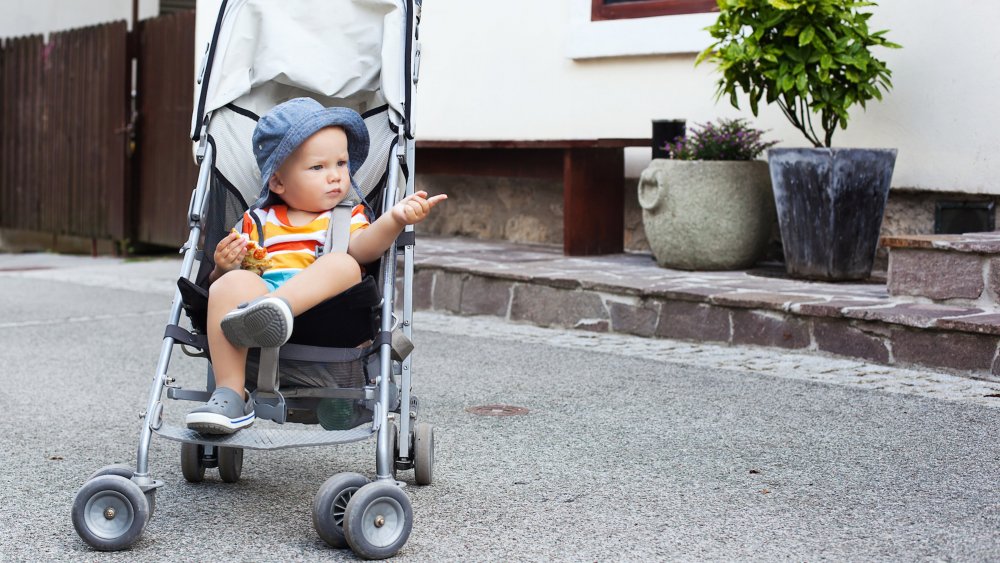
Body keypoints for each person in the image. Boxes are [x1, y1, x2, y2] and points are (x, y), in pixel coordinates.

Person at [186, 97, 446, 434]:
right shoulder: (257, 220)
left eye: (341, 163)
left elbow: (365, 248)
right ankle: (231, 395)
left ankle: (276, 308)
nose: (336, 176)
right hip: (253, 321)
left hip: (327, 318)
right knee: (225, 286)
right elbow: (229, 278)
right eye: (318, 167)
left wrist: (394, 218)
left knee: (345, 263)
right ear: (278, 182)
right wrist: (223, 267)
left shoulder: (345, 216)